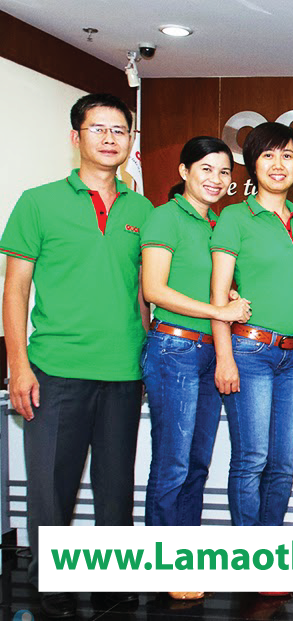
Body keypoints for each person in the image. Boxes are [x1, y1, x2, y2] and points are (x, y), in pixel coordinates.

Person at [1, 93, 152, 617]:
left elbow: (143, 292)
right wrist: (18, 366)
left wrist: (148, 358)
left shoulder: (142, 210)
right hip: (55, 369)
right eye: (98, 129)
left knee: (115, 487)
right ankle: (51, 586)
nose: (110, 139)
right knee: (51, 487)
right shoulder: (38, 202)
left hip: (124, 369)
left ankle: (112, 582)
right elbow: (15, 291)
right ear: (76, 137)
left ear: (130, 141)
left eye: (119, 130)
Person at [140, 136, 252, 600]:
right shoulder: (165, 216)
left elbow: (218, 288)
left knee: (196, 464)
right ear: (184, 171)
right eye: (206, 168)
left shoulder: (219, 224)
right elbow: (154, 289)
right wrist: (218, 310)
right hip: (175, 348)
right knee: (172, 462)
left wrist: (229, 301)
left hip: (212, 351)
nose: (216, 179)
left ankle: (184, 559)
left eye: (224, 172)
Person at [210, 122, 293, 530]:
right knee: (252, 459)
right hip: (249, 353)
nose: (279, 164)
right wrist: (224, 358)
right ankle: (248, 552)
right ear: (252, 163)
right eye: (268, 155)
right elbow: (219, 294)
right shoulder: (234, 218)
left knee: (283, 463)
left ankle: (270, 549)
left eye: (287, 156)